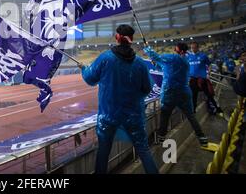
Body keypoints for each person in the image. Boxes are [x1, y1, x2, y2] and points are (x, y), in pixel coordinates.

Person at [81, 25, 158, 174]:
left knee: (103, 152)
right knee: (143, 150)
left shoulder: (105, 58)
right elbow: (147, 89)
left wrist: (84, 69)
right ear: (131, 40)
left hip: (108, 117)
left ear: (117, 37)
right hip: (134, 116)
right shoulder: (140, 63)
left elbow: (90, 79)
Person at [143, 43, 208, 147]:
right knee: (191, 116)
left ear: (181, 51)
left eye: (176, 49)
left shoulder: (173, 57)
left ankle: (161, 138)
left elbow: (155, 56)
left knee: (165, 116)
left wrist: (147, 47)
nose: (174, 50)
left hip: (170, 92)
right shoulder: (186, 62)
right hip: (184, 92)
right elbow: (166, 68)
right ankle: (202, 138)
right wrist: (156, 64)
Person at [187, 42, 222, 115]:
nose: (193, 49)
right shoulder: (188, 57)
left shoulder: (203, 56)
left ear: (197, 48)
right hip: (192, 80)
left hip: (202, 79)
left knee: (209, 94)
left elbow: (209, 65)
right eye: (191, 48)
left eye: (194, 47)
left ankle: (217, 108)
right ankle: (193, 110)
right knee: (193, 96)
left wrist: (208, 73)